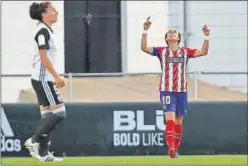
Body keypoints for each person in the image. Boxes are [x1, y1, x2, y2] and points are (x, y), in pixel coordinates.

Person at [141, 17, 210, 158]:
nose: (172, 33)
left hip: (181, 91)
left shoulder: (185, 52)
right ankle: (171, 148)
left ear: (178, 38)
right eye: (169, 33)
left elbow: (203, 52)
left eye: (175, 32)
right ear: (166, 38)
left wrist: (206, 36)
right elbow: (144, 48)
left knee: (179, 121)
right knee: (170, 119)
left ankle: (175, 150)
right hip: (167, 90)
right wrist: (145, 30)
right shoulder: (161, 51)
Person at [25, 1, 66, 162]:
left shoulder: (47, 31)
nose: (57, 12)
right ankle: (33, 141)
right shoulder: (42, 31)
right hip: (43, 78)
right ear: (44, 14)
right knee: (59, 113)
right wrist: (57, 77)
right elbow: (44, 57)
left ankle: (44, 153)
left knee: (48, 115)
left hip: (42, 78)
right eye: (53, 10)